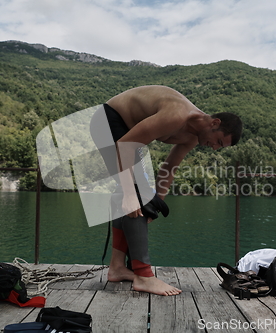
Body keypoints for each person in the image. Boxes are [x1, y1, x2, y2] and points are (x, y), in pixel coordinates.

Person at [90, 85, 242, 296]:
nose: (214, 147)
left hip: (125, 133)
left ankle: (117, 267)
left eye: (220, 147)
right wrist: (131, 194)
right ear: (214, 123)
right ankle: (143, 276)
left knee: (139, 197)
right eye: (218, 141)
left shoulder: (191, 137)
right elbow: (124, 145)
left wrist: (156, 203)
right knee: (133, 192)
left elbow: (169, 168)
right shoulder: (177, 115)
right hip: (108, 119)